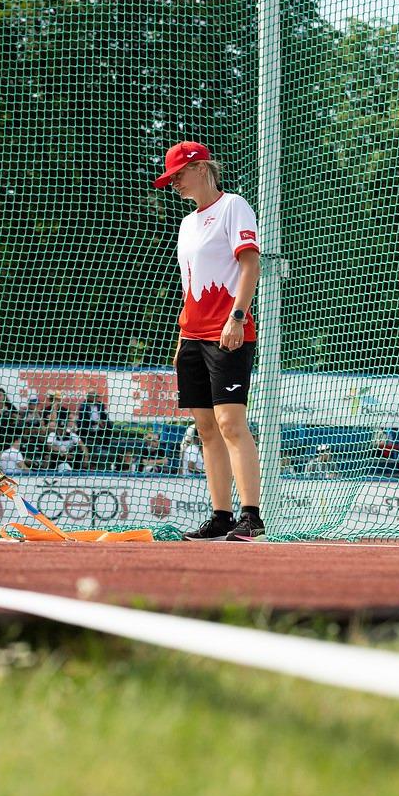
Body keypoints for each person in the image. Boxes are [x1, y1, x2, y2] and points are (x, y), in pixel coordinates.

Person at [154, 141, 266, 541]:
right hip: (192, 336)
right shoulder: (187, 224)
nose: (174, 184)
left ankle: (250, 516)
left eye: (178, 175)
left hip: (228, 332)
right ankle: (221, 515)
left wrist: (238, 316)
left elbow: (250, 263)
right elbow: (189, 286)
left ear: (201, 168)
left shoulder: (233, 206)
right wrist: (181, 339)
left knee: (230, 422)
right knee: (204, 428)